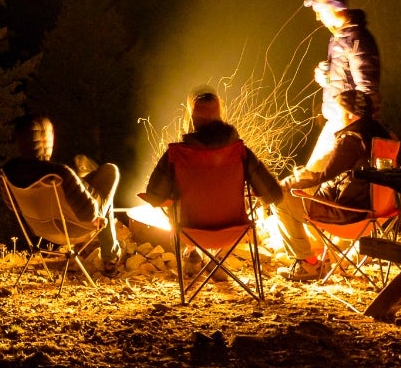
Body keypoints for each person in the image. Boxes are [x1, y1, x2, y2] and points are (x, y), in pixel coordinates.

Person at [119, 90, 286, 256]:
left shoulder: (176, 154)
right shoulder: (240, 151)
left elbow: (155, 196)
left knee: (174, 204)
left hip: (189, 233)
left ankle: (192, 255)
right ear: (220, 117)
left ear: (192, 119)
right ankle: (215, 260)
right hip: (234, 231)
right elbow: (274, 195)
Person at [271, 86, 387, 277]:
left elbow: (323, 176)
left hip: (348, 213)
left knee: (280, 198)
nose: (334, 117)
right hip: (378, 210)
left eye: (338, 111)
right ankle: (316, 256)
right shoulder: (382, 134)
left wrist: (289, 183)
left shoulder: (351, 139)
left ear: (350, 115)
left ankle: (307, 264)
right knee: (303, 187)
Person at [0, 115, 122, 269]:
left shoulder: (9, 171)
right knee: (110, 171)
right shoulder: (60, 174)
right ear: (48, 141)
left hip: (40, 228)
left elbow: (14, 207)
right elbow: (89, 213)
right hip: (73, 229)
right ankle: (111, 257)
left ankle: (110, 256)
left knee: (91, 182)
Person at [302, 0, 387, 175]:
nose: (317, 17)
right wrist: (327, 78)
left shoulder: (357, 39)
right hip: (336, 123)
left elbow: (367, 90)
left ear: (334, 7)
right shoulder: (339, 37)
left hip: (346, 126)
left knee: (311, 179)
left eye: (319, 10)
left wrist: (352, 130)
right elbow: (345, 80)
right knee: (313, 181)